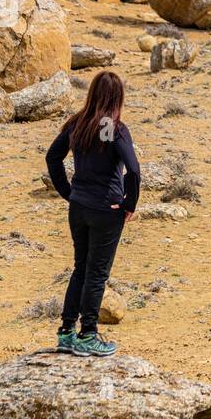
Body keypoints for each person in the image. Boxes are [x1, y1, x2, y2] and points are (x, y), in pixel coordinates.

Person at [45, 71, 140, 356]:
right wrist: (128, 205)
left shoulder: (78, 123)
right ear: (117, 97)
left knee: (81, 269)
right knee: (96, 273)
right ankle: (88, 334)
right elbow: (133, 170)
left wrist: (68, 193)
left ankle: (66, 333)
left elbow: (53, 158)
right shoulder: (112, 127)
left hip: (79, 208)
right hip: (105, 211)